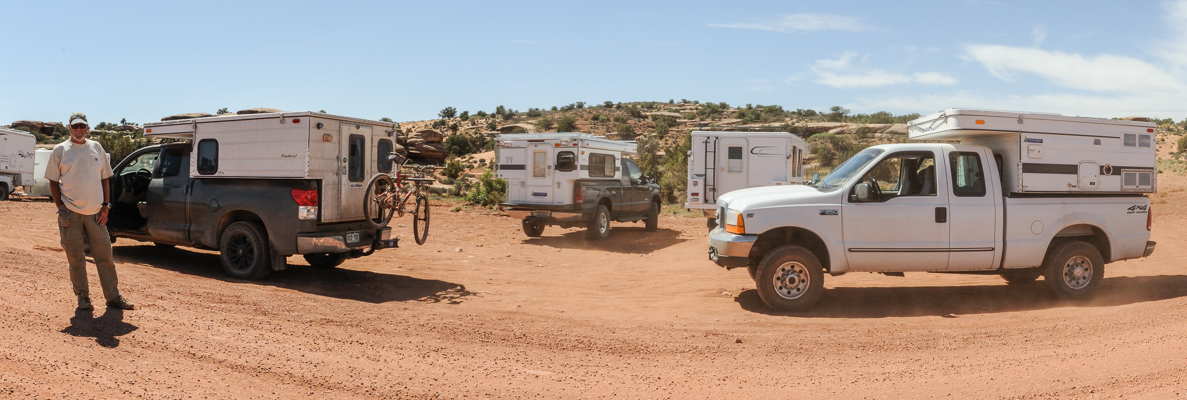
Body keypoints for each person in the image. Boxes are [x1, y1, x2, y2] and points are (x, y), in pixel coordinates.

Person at [46, 112, 135, 311]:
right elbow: (53, 182)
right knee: (76, 258)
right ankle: (83, 297)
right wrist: (61, 208)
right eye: (75, 126)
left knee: (105, 257)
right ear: (69, 128)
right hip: (70, 213)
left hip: (96, 214)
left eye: (82, 126)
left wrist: (106, 206)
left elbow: (105, 178)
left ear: (87, 128)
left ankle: (113, 297)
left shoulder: (96, 148)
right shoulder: (60, 150)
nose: (79, 130)